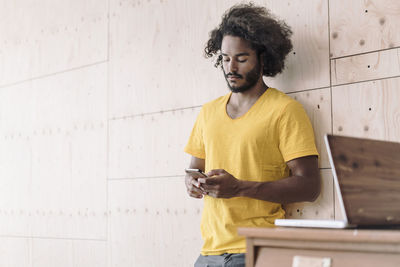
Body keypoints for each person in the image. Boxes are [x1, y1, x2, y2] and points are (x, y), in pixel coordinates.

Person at [184, 3, 320, 267]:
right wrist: (192, 183)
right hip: (209, 253)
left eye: (241, 58)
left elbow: (310, 186)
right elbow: (193, 170)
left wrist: (239, 187)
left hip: (257, 250)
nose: (230, 67)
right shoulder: (208, 112)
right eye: (225, 58)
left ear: (263, 57)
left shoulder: (285, 110)